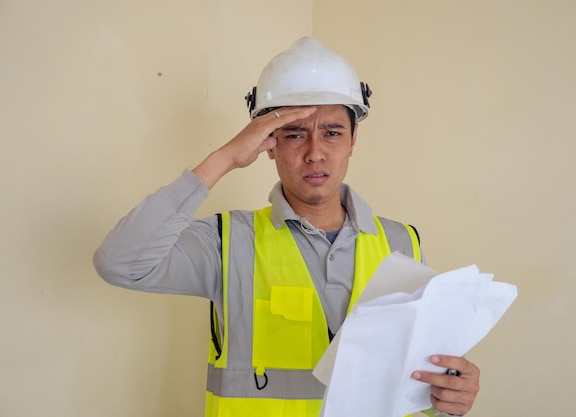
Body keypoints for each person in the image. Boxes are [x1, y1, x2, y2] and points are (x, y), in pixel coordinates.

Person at [93, 37, 480, 417]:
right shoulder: (227, 242)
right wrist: (225, 158)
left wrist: (450, 397)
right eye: (295, 133)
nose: (314, 152)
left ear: (352, 140)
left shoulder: (403, 243)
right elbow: (120, 263)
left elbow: (416, 381)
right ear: (268, 143)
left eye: (332, 132)